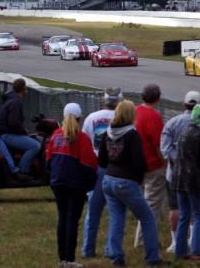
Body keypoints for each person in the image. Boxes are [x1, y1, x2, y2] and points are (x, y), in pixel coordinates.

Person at [100, 99, 164, 266]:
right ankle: (152, 257)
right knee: (147, 217)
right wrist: (140, 176)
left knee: (116, 218)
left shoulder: (107, 132)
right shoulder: (131, 134)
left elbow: (101, 159)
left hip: (108, 179)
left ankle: (115, 255)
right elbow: (139, 160)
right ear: (130, 114)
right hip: (127, 181)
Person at [47, 103, 98, 268]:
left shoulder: (55, 135)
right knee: (72, 220)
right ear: (80, 118)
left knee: (62, 217)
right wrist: (89, 184)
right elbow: (89, 164)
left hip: (58, 182)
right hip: (76, 184)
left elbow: (48, 159)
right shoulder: (82, 138)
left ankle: (62, 258)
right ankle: (70, 259)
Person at [81, 87, 124, 259]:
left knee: (93, 210)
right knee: (116, 211)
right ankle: (110, 249)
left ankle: (87, 249)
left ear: (104, 100)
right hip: (117, 168)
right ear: (120, 101)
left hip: (96, 167)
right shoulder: (123, 119)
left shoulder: (92, 118)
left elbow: (85, 142)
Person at [160, 90, 200, 253]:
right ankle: (192, 241)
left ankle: (176, 242)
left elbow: (165, 149)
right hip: (194, 176)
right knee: (194, 209)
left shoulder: (172, 123)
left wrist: (177, 160)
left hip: (174, 175)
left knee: (176, 208)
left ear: (184, 104)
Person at [172, 103, 200, 261]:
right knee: (199, 215)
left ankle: (180, 250)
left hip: (179, 177)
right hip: (193, 180)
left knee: (184, 215)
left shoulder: (184, 131)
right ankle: (198, 250)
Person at [134, 84, 168, 249]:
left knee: (144, 203)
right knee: (152, 204)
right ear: (158, 98)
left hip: (136, 164)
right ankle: (143, 240)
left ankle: (144, 238)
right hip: (153, 165)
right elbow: (159, 145)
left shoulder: (135, 111)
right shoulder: (153, 116)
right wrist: (166, 162)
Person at [0, 78, 40, 177]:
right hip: (7, 134)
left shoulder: (10, 99)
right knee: (35, 146)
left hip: (4, 133)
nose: (26, 91)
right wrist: (24, 131)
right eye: (26, 89)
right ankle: (23, 171)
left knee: (35, 139)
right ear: (23, 89)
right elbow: (13, 122)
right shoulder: (16, 102)